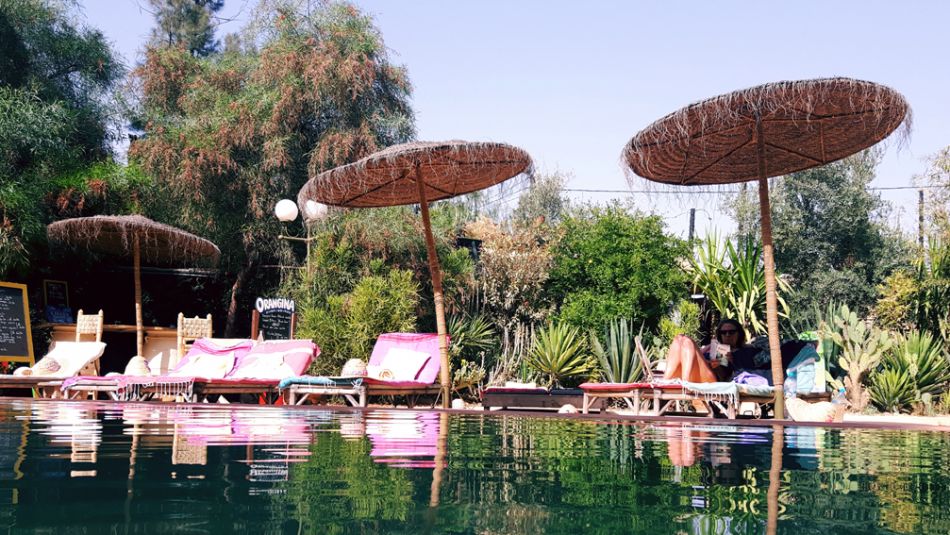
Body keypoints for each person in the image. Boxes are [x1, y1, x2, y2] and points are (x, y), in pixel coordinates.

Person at [663, 319, 747, 383]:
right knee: (679, 338)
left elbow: (725, 377)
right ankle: (665, 380)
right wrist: (709, 347)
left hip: (712, 381)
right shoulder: (716, 347)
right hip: (695, 374)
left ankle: (684, 383)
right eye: (723, 332)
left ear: (739, 333)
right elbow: (695, 356)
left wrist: (718, 366)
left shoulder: (743, 351)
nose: (727, 335)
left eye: (731, 332)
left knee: (687, 341)